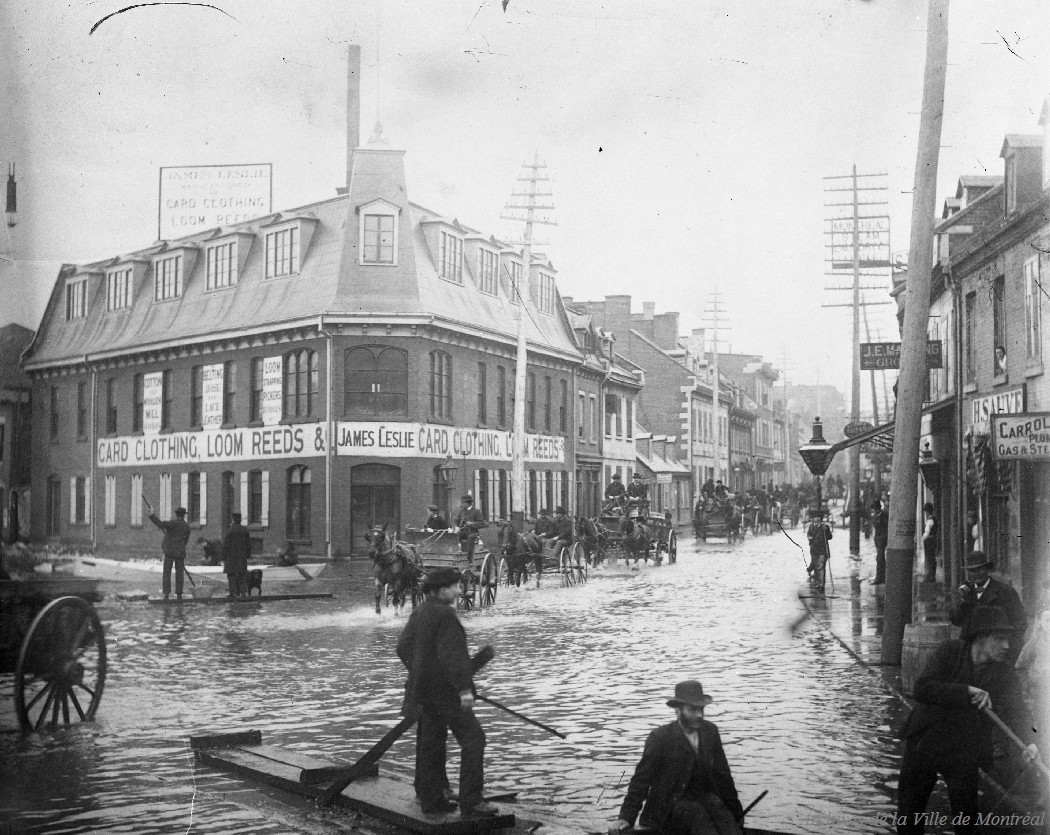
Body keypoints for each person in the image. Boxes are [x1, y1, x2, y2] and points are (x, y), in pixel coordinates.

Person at [895, 606, 1038, 835]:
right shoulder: (950, 652)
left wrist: (1031, 742)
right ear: (981, 637)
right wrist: (966, 691)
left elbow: (1018, 711)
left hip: (964, 748)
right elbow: (923, 688)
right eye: (999, 639)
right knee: (909, 817)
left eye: (1008, 639)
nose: (1007, 646)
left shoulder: (1005, 672)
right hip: (925, 739)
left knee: (966, 821)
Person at [396, 567, 498, 818]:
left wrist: (423, 673)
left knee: (431, 743)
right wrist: (464, 689)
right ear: (443, 590)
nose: (459, 590)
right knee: (474, 739)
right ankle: (472, 802)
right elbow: (454, 658)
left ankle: (431, 800)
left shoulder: (420, 611)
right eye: (455, 586)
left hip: (424, 694)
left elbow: (402, 647)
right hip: (447, 695)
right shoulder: (446, 615)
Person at [610, 680, 744, 835]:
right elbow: (641, 781)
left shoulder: (710, 731)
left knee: (722, 813)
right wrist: (626, 817)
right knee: (697, 816)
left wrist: (735, 813)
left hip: (705, 801)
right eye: (692, 709)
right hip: (668, 808)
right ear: (678, 710)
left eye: (701, 709)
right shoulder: (660, 738)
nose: (699, 715)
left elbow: (723, 776)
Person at [949, 551, 1027, 664]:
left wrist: (1009, 649)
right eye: (972, 570)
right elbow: (956, 621)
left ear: (987, 569)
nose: (976, 574)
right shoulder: (966, 592)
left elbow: (1020, 623)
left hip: (996, 655)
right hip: (971, 655)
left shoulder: (1005, 591)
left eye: (980, 569)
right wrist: (961, 600)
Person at [145, 500, 191, 600]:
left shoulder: (172, 523)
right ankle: (179, 594)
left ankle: (166, 593)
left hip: (169, 551)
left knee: (167, 572)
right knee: (179, 573)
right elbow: (185, 541)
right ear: (184, 516)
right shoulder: (187, 526)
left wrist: (152, 514)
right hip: (180, 552)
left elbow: (160, 524)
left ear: (177, 515)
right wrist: (179, 547)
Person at [222, 511, 251, 598]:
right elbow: (248, 544)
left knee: (231, 575)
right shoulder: (245, 530)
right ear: (240, 520)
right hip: (242, 557)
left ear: (233, 519)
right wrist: (247, 555)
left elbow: (226, 545)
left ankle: (233, 593)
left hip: (231, 556)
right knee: (242, 575)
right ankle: (243, 593)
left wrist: (223, 556)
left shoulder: (230, 530)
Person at [454, 495, 487, 565]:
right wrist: (456, 527)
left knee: (470, 537)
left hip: (472, 532)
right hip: (462, 532)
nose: (461, 504)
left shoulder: (476, 511)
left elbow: (481, 523)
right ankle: (456, 556)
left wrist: (472, 524)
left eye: (462, 502)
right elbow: (456, 520)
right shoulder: (462, 511)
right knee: (453, 537)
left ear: (467, 503)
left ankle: (469, 560)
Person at [806, 510, 833, 593]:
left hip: (822, 550)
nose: (816, 519)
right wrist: (810, 538)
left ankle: (822, 584)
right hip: (814, 550)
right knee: (816, 566)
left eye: (818, 517)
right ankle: (818, 582)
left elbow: (830, 537)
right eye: (814, 517)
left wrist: (826, 531)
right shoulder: (811, 526)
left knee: (821, 566)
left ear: (820, 518)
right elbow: (809, 534)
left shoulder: (824, 526)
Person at [870, 499, 888, 585]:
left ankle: (880, 578)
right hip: (878, 538)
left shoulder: (883, 516)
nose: (874, 510)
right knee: (880, 558)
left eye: (875, 509)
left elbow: (883, 527)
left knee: (879, 558)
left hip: (882, 538)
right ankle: (882, 577)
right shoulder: (876, 516)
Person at [921, 503, 938, 583]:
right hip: (933, 540)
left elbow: (927, 532)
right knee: (932, 558)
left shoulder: (929, 521)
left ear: (927, 512)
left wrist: (923, 538)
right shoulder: (934, 519)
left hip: (929, 541)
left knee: (929, 558)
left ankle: (929, 576)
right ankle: (932, 576)